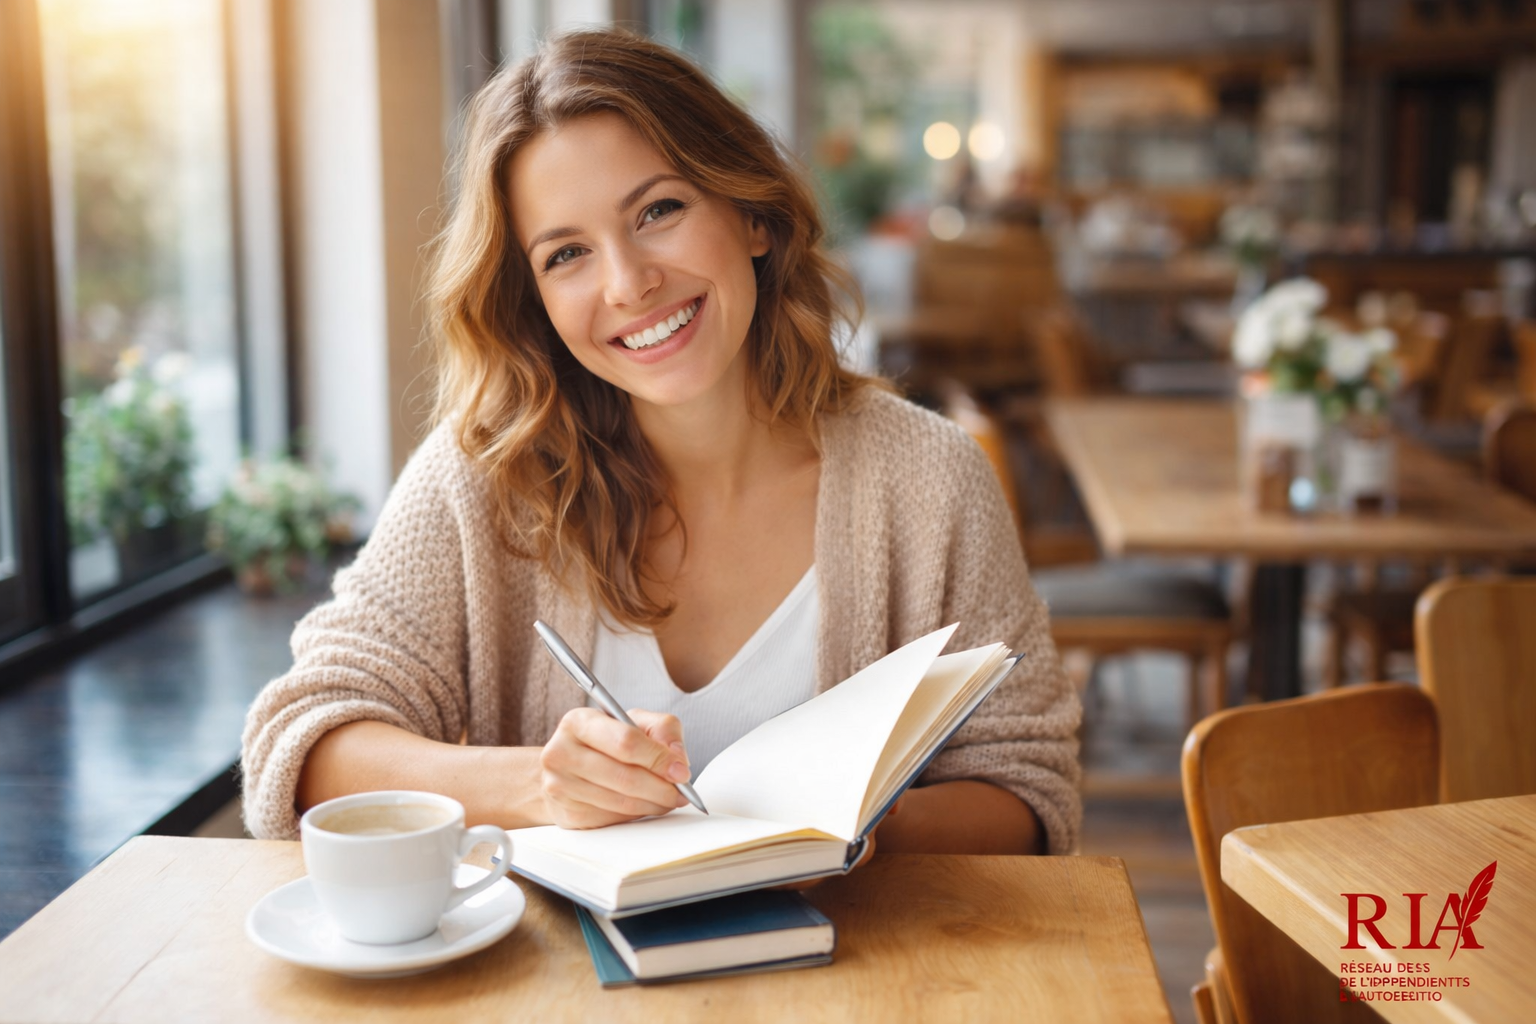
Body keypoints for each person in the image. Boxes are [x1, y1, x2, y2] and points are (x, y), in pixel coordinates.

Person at [240, 28, 1081, 856]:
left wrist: (867, 832)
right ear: (533, 299)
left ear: (752, 214)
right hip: (570, 994)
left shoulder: (930, 479)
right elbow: (299, 745)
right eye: (566, 253)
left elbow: (1026, 786)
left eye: (659, 210)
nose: (628, 283)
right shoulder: (487, 480)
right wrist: (538, 786)